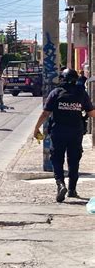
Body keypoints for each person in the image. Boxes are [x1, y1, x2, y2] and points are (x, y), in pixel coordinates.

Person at [33, 69, 95, 202]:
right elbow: (91, 114)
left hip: (58, 131)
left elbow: (45, 113)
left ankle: (60, 184)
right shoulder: (81, 93)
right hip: (76, 132)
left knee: (57, 159)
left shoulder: (56, 92)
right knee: (74, 160)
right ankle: (72, 190)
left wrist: (36, 128)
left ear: (62, 79)